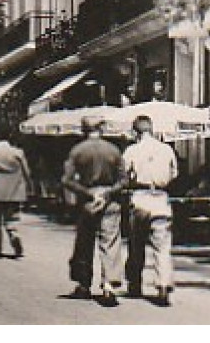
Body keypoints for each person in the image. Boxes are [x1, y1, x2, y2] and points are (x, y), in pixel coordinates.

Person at [62, 114, 125, 307]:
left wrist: (89, 194)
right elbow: (124, 180)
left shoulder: (78, 151)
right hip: (110, 200)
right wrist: (107, 192)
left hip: (87, 200)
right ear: (102, 129)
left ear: (84, 130)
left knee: (84, 242)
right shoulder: (114, 151)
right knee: (110, 242)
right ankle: (109, 286)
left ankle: (83, 284)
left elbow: (66, 180)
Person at [121, 114, 177, 306]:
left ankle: (135, 283)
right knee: (162, 246)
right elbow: (174, 173)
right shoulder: (167, 149)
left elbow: (124, 175)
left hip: (140, 198)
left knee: (136, 245)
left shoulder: (131, 151)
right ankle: (162, 285)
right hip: (161, 198)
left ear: (136, 132)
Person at [0, 132, 32, 258]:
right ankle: (13, 234)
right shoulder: (18, 153)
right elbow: (27, 172)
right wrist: (29, 186)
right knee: (12, 217)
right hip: (14, 190)